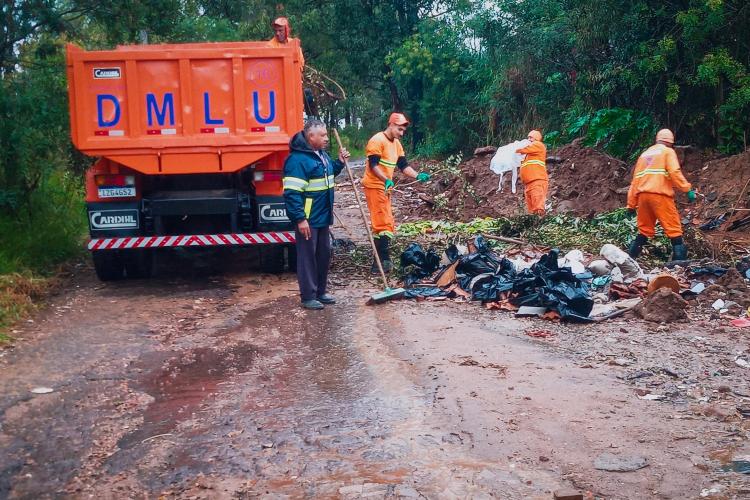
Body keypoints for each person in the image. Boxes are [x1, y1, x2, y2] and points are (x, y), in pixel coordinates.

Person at [283, 119, 349, 309]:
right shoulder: (297, 161)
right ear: (311, 136)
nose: (326, 138)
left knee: (323, 255)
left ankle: (320, 291)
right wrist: (300, 219)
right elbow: (292, 193)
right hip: (308, 219)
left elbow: (326, 177)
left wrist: (339, 163)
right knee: (307, 258)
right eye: (323, 135)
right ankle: (308, 296)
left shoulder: (321, 155)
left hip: (322, 217)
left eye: (326, 134)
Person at [362, 112, 430, 274]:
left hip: (386, 187)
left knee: (387, 223)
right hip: (375, 185)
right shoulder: (377, 140)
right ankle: (382, 262)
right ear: (391, 125)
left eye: (403, 131)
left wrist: (418, 175)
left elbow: (403, 166)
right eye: (399, 129)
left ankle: (380, 262)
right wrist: (385, 179)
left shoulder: (397, 144)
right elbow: (373, 165)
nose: (401, 133)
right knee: (382, 223)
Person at [626, 128, 696, 261]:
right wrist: (687, 189)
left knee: (644, 230)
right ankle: (680, 262)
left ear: (657, 140)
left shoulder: (644, 155)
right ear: (670, 142)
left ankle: (630, 259)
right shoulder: (667, 152)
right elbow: (675, 173)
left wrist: (630, 204)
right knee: (673, 227)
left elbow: (635, 181)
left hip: (642, 197)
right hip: (659, 195)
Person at [515, 130, 548, 216]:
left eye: (531, 137)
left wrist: (513, 149)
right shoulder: (528, 155)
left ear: (536, 138)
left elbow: (521, 149)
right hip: (528, 184)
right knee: (531, 210)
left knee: (538, 207)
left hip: (537, 181)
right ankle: (534, 226)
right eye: (528, 137)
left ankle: (540, 224)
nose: (528, 139)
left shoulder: (538, 145)